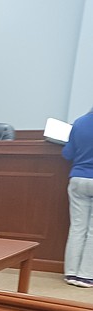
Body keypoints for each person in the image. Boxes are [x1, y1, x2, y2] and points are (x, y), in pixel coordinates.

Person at [61, 106, 93, 288]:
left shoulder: (80, 122)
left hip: (78, 178)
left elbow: (68, 154)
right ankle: (86, 276)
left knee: (77, 227)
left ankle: (71, 273)